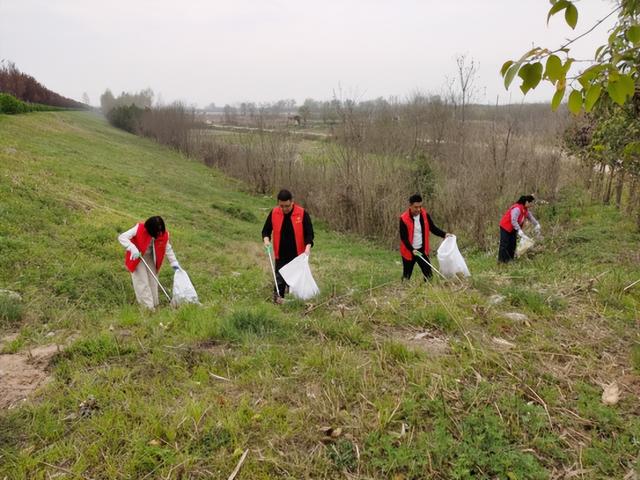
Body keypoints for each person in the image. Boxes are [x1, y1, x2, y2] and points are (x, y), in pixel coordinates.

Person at [262, 189, 314, 304]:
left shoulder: (302, 213)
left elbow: (309, 234)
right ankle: (278, 301)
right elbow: (266, 231)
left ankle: (295, 303)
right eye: (281, 206)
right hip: (280, 254)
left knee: (295, 284)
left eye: (287, 206)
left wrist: (308, 247)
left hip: (297, 255)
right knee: (279, 281)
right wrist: (266, 240)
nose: (284, 209)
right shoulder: (274, 212)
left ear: (292, 202)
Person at [118, 216, 180, 309]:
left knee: (153, 280)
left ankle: (155, 304)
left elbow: (168, 249)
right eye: (157, 231)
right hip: (138, 257)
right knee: (142, 281)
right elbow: (122, 237)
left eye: (160, 230)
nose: (159, 233)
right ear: (150, 229)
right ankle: (148, 308)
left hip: (150, 257)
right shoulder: (139, 228)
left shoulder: (163, 234)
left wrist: (174, 263)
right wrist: (132, 248)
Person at [399, 193, 451, 281]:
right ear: (410, 206)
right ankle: (404, 290)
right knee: (406, 276)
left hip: (421, 251)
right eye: (416, 207)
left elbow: (433, 228)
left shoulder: (425, 215)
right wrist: (412, 249)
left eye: (420, 206)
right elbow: (404, 238)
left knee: (429, 275)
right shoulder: (403, 219)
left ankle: (425, 290)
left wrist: (444, 234)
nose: (418, 209)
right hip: (409, 251)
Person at [498, 194, 541, 263]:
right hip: (505, 226)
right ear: (527, 202)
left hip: (513, 228)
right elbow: (513, 220)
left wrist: (537, 224)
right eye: (531, 203)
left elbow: (531, 217)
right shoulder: (517, 208)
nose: (532, 205)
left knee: (512, 244)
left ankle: (510, 260)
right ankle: (501, 261)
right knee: (504, 244)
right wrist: (519, 230)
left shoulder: (525, 210)